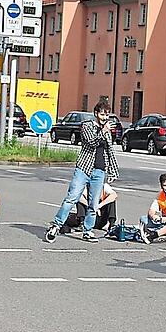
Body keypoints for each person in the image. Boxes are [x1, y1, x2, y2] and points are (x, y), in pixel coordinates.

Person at [44, 101, 120, 243]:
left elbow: (109, 151)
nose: (105, 118)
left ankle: (88, 231)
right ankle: (56, 225)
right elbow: (90, 142)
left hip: (99, 171)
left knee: (94, 203)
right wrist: (102, 132)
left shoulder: (108, 130)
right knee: (71, 198)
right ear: (96, 114)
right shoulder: (87, 126)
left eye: (107, 115)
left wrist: (113, 171)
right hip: (84, 168)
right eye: (102, 114)